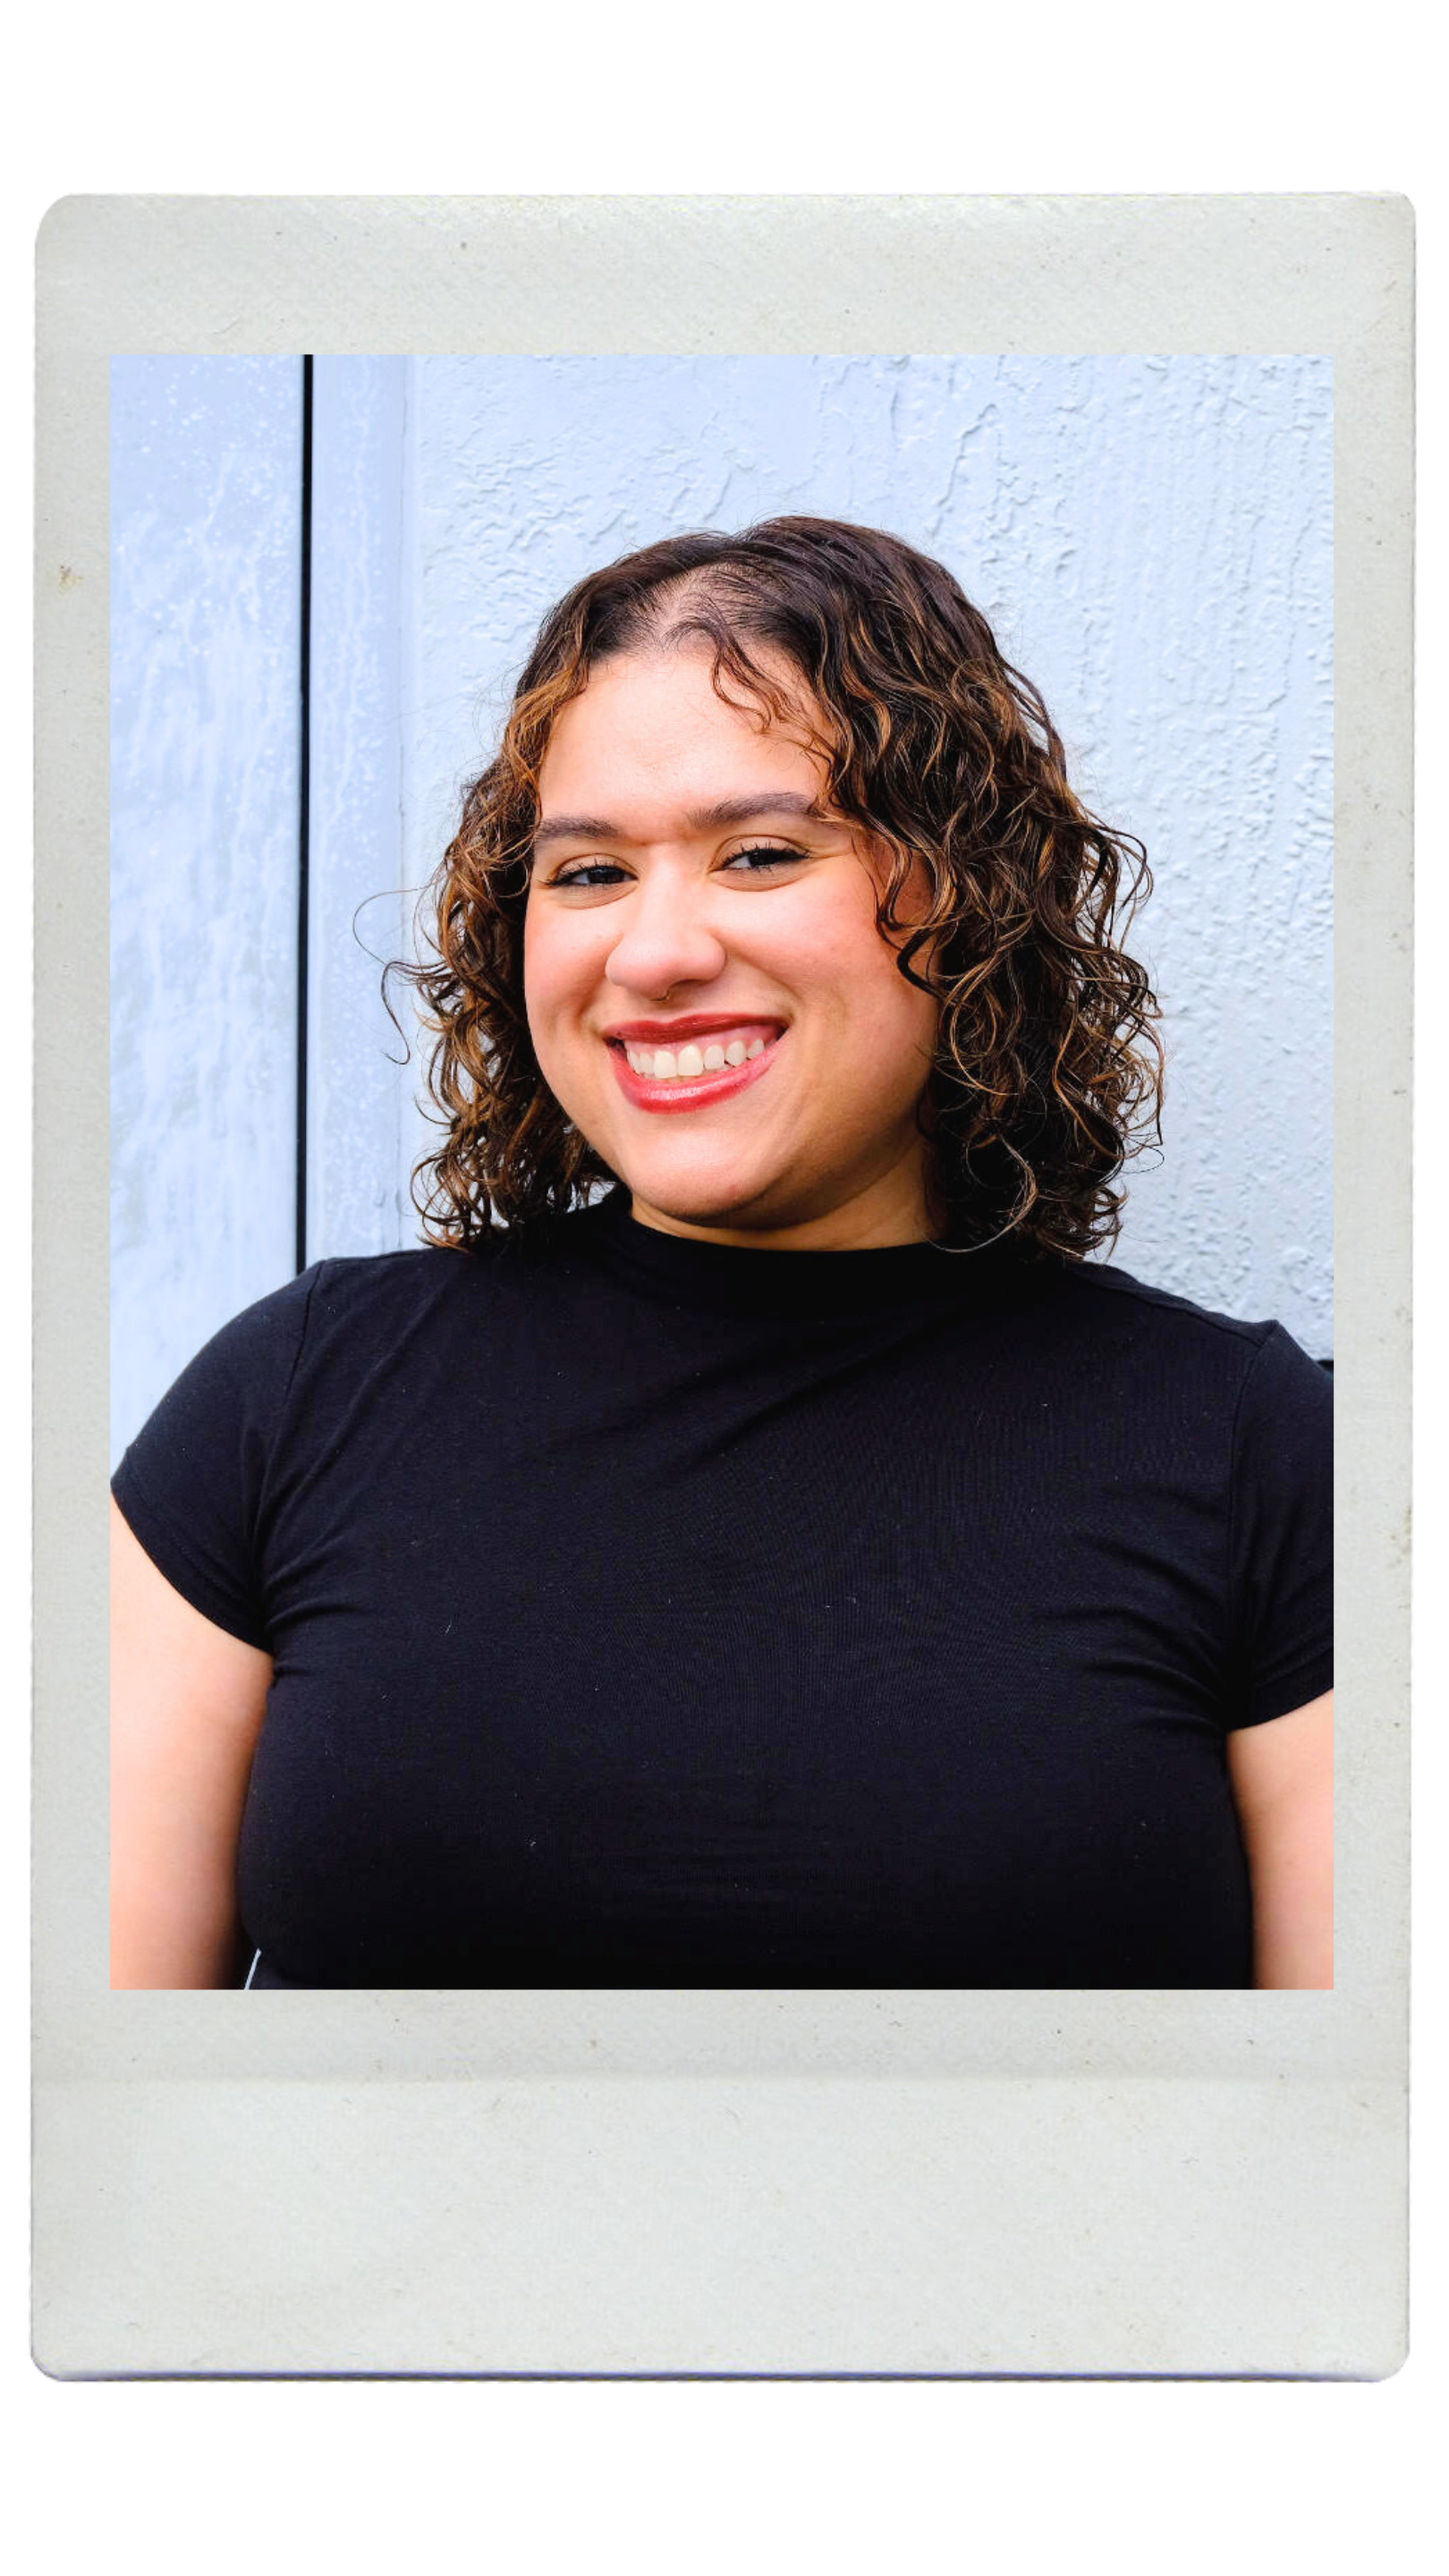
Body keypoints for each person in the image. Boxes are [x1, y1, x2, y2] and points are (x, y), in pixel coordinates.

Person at [110, 517, 1333, 1992]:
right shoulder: (293, 1399)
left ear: (967, 895)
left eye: (759, 854)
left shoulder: (1259, 1452)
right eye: (588, 874)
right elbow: (101, 2080)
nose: (655, 951)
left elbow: (1357, 2100)